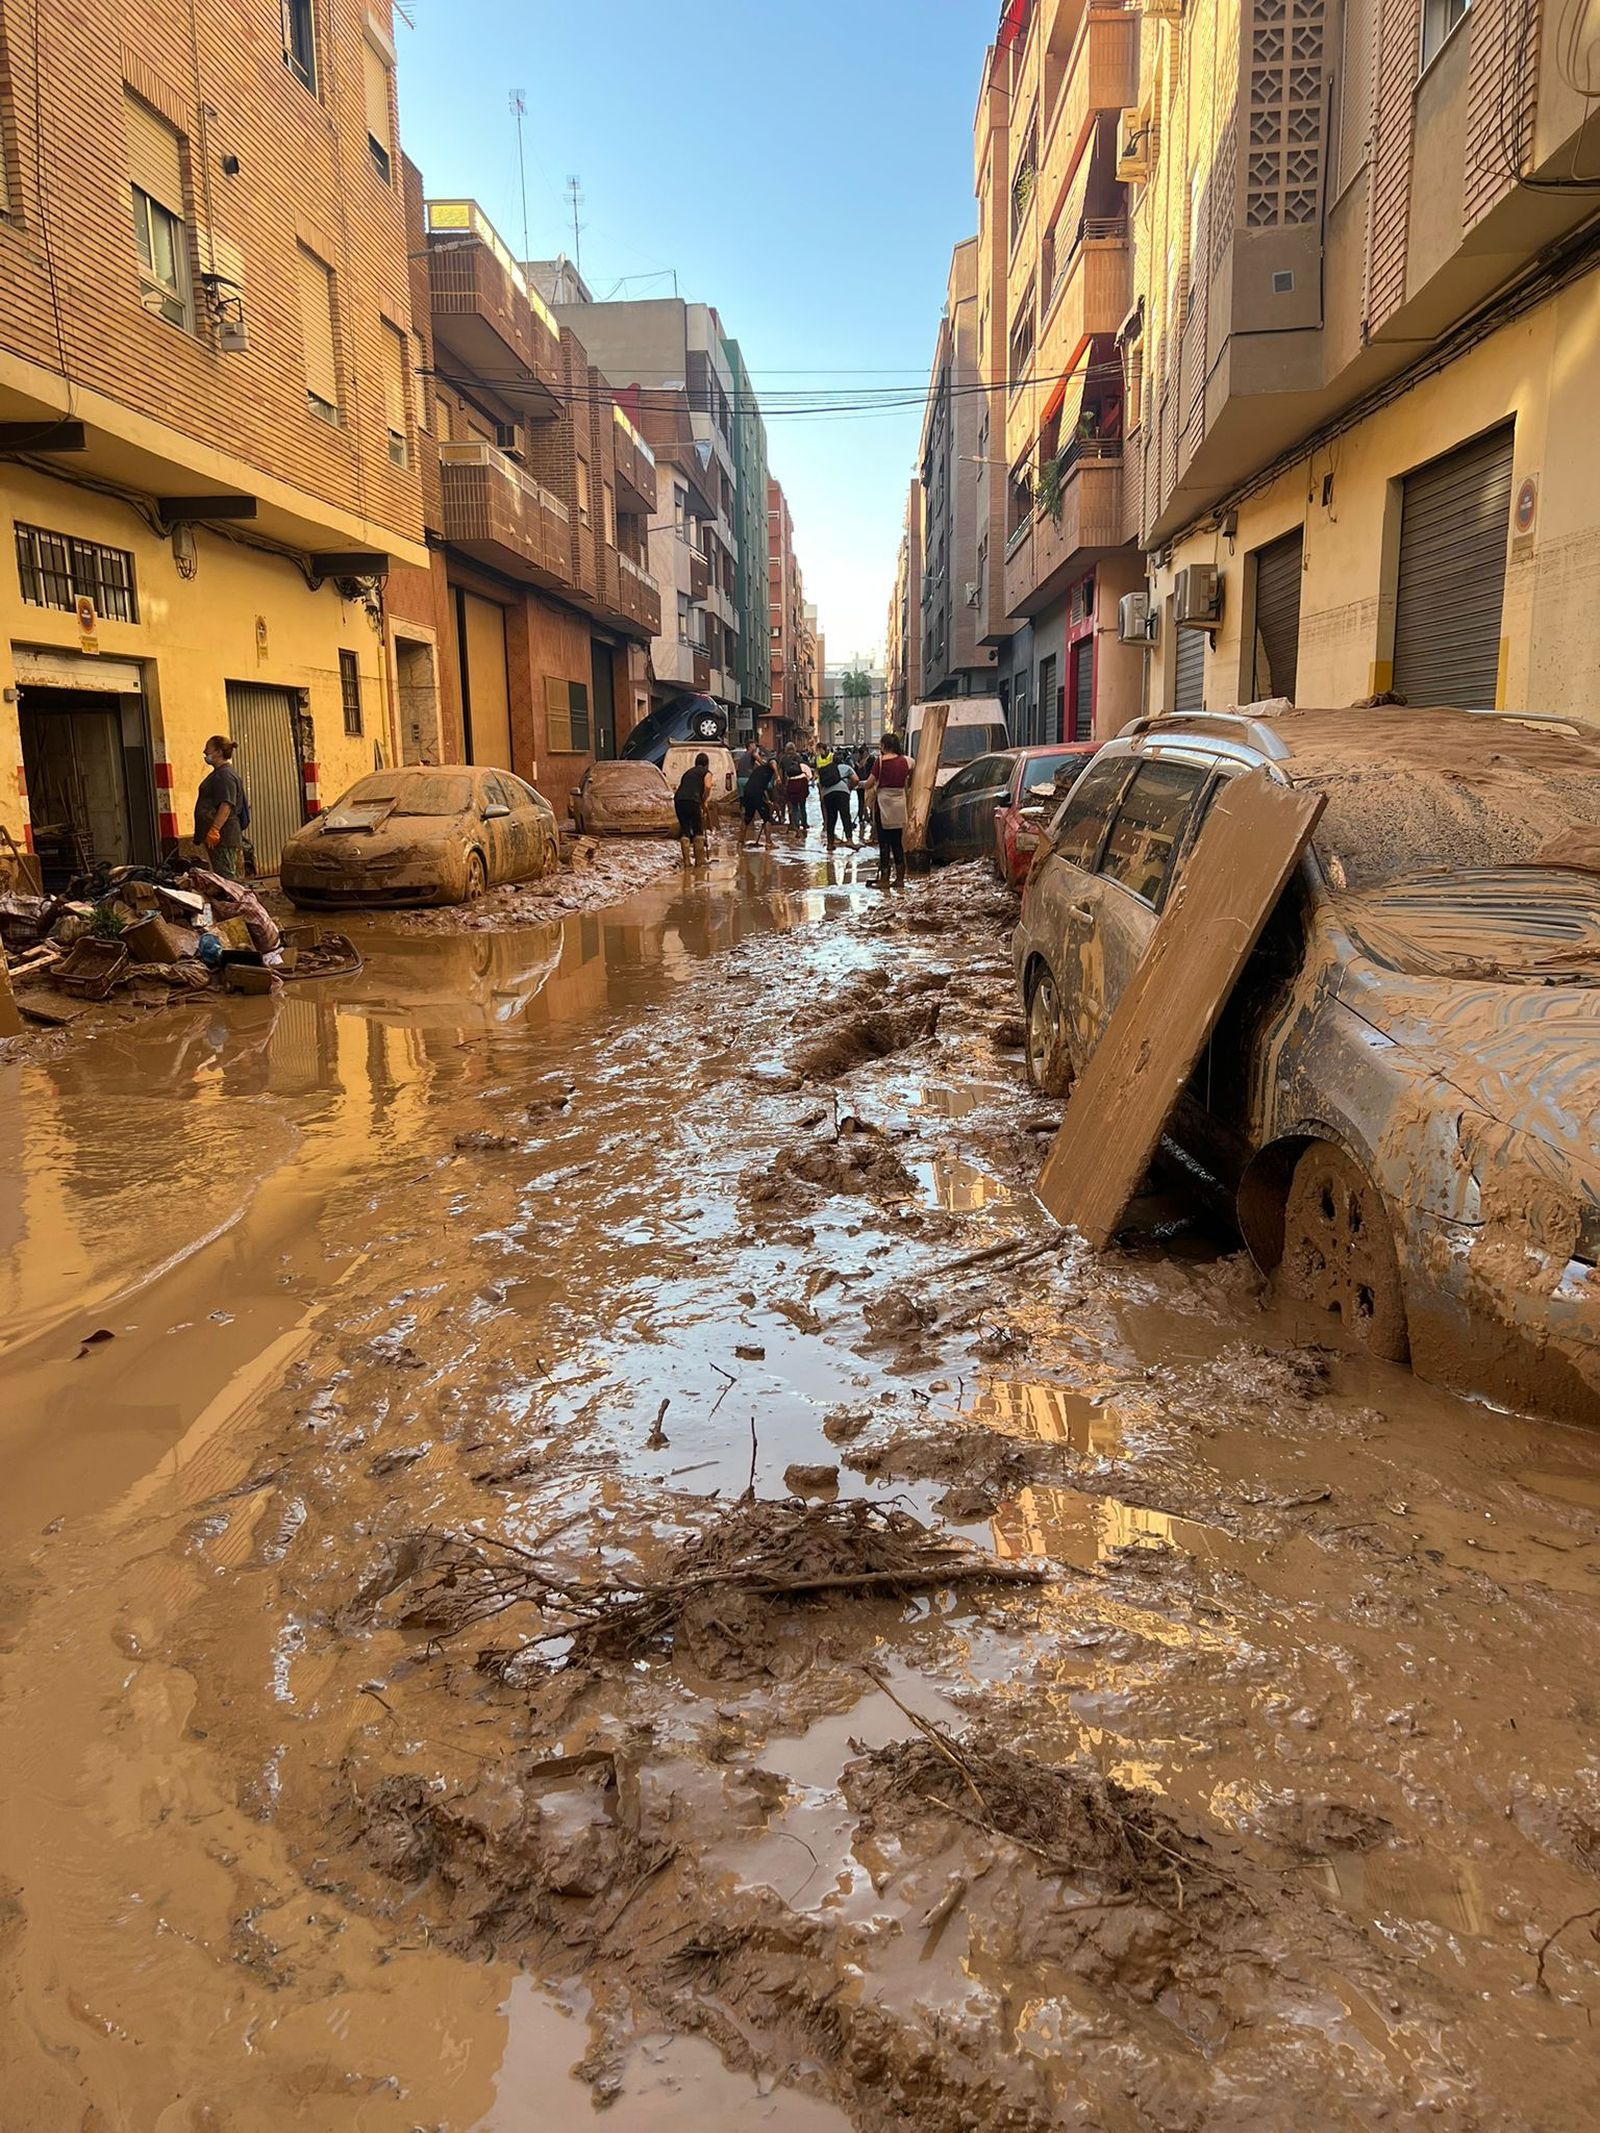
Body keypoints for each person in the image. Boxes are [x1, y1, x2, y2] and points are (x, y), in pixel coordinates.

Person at [194, 735, 246, 879]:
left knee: (228, 880)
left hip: (224, 838)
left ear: (218, 752)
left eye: (208, 748)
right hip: (220, 838)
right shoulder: (220, 774)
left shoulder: (224, 776)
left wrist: (215, 829)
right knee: (223, 879)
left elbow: (226, 804)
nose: (204, 752)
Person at [869, 733, 911, 888]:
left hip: (883, 806)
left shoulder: (879, 762)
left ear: (884, 746)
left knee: (884, 843)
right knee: (897, 842)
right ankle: (900, 879)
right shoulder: (906, 761)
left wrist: (860, 785)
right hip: (899, 805)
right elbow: (914, 770)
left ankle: (885, 879)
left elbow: (869, 783)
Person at [674, 750, 714, 867]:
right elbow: (707, 786)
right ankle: (700, 860)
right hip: (693, 800)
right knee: (698, 829)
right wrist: (704, 800)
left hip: (679, 800)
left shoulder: (688, 772)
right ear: (707, 764)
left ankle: (686, 862)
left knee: (685, 830)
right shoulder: (706, 772)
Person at [815, 746, 856, 851]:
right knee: (845, 815)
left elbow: (820, 784)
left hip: (828, 794)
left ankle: (830, 843)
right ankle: (849, 840)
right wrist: (849, 788)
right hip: (843, 793)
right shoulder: (846, 767)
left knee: (831, 818)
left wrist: (822, 796)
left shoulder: (826, 769)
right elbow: (856, 780)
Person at [742, 749, 779, 848]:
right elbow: (773, 763)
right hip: (755, 793)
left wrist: (767, 801)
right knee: (767, 819)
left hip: (748, 792)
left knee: (747, 818)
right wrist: (778, 776)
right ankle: (768, 842)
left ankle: (740, 842)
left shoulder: (760, 770)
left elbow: (763, 788)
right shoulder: (770, 766)